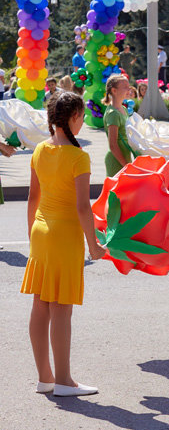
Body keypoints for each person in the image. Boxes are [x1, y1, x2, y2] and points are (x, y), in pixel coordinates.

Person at [21, 91, 107, 396]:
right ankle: (64, 381)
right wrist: (94, 245)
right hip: (65, 236)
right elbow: (83, 208)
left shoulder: (39, 150)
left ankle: (45, 377)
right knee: (61, 309)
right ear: (72, 118)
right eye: (82, 116)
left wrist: (33, 235)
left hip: (41, 232)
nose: (83, 121)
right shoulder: (78, 156)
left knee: (40, 304)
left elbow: (33, 199)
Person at [102, 74, 139, 177]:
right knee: (117, 192)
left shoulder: (124, 109)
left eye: (129, 87)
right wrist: (126, 166)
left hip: (125, 158)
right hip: (117, 160)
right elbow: (113, 145)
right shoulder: (113, 114)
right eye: (125, 87)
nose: (129, 90)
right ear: (114, 91)